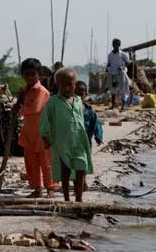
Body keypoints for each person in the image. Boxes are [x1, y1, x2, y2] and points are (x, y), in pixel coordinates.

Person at [40, 68, 93, 202]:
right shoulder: (53, 102)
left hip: (79, 140)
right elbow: (45, 119)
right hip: (62, 141)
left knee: (81, 167)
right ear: (58, 85)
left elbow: (80, 118)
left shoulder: (78, 101)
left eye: (71, 84)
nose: (68, 87)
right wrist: (45, 136)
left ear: (75, 83)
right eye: (64, 85)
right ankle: (67, 198)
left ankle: (79, 199)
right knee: (66, 169)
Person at [14, 58, 56, 198]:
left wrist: (18, 108)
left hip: (43, 132)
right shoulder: (25, 90)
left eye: (33, 74)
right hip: (29, 131)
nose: (30, 77)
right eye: (26, 74)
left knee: (46, 162)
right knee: (31, 163)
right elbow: (23, 108)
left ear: (39, 74)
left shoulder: (41, 91)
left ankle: (50, 188)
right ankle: (37, 188)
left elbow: (35, 108)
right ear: (23, 75)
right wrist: (18, 102)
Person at [75, 80, 103, 192]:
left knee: (84, 162)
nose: (79, 95)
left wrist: (98, 136)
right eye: (77, 92)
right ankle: (78, 183)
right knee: (74, 163)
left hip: (86, 141)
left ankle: (83, 181)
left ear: (85, 95)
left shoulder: (89, 110)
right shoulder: (67, 108)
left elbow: (96, 124)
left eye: (82, 93)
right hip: (72, 141)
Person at [106, 39, 131, 109]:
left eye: (117, 45)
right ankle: (113, 105)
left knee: (123, 89)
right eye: (114, 45)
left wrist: (123, 66)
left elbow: (128, 63)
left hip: (121, 73)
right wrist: (107, 68)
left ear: (119, 45)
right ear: (112, 45)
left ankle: (123, 105)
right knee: (113, 89)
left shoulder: (123, 54)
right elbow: (108, 64)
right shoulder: (110, 55)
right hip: (112, 74)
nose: (115, 46)